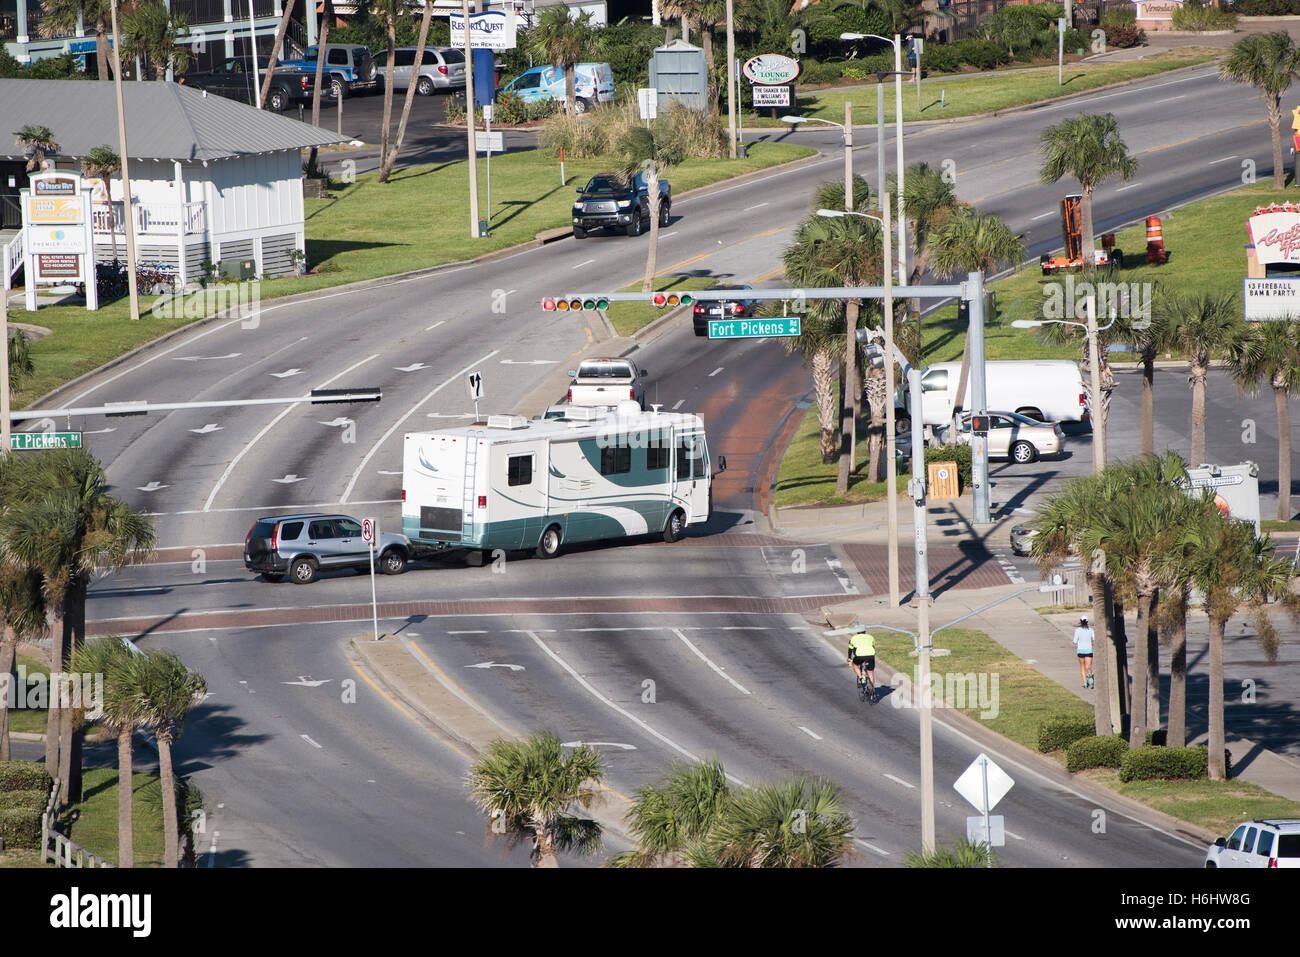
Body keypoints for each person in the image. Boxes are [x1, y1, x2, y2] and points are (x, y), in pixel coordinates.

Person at [1072, 616, 1094, 689]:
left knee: (1082, 667)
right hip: (1088, 650)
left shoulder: (1077, 630)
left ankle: (1085, 683)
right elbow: (1094, 639)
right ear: (1087, 622)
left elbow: (1075, 640)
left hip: (1081, 650)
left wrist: (1072, 643)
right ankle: (1090, 677)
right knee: (1088, 666)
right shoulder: (1091, 630)